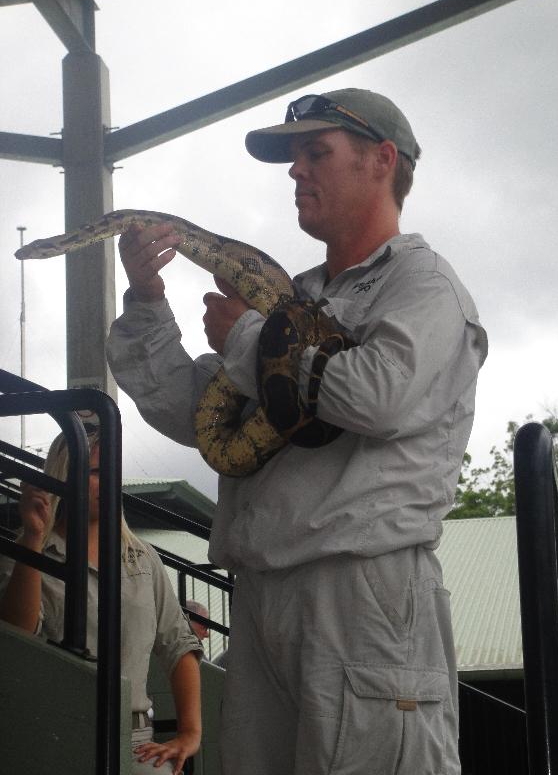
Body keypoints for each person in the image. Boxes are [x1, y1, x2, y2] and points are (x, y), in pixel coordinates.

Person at [106, 88, 488, 775]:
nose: (296, 171)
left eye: (317, 153)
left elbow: (377, 397)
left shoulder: (424, 285)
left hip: (360, 590)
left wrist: (248, 337)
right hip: (259, 589)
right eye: (293, 158)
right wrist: (147, 300)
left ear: (382, 160)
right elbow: (188, 411)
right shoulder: (298, 299)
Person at [0, 427, 203, 775]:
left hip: (135, 741)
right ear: (64, 476)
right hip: (55, 734)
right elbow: (19, 636)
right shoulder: (27, 554)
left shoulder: (142, 558)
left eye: (113, 469)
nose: (109, 480)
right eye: (96, 472)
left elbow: (179, 645)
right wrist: (33, 538)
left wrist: (189, 732)